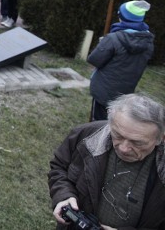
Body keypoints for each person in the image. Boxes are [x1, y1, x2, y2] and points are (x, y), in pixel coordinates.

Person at [49, 93, 165, 230]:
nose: (124, 148)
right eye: (117, 135)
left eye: (137, 143)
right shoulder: (85, 135)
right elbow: (58, 167)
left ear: (161, 138)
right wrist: (63, 195)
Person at [88, 0, 154, 121]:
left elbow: (94, 59)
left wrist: (103, 44)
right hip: (125, 92)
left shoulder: (114, 38)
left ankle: (97, 139)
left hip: (104, 91)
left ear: (122, 17)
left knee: (97, 122)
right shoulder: (148, 41)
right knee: (113, 122)